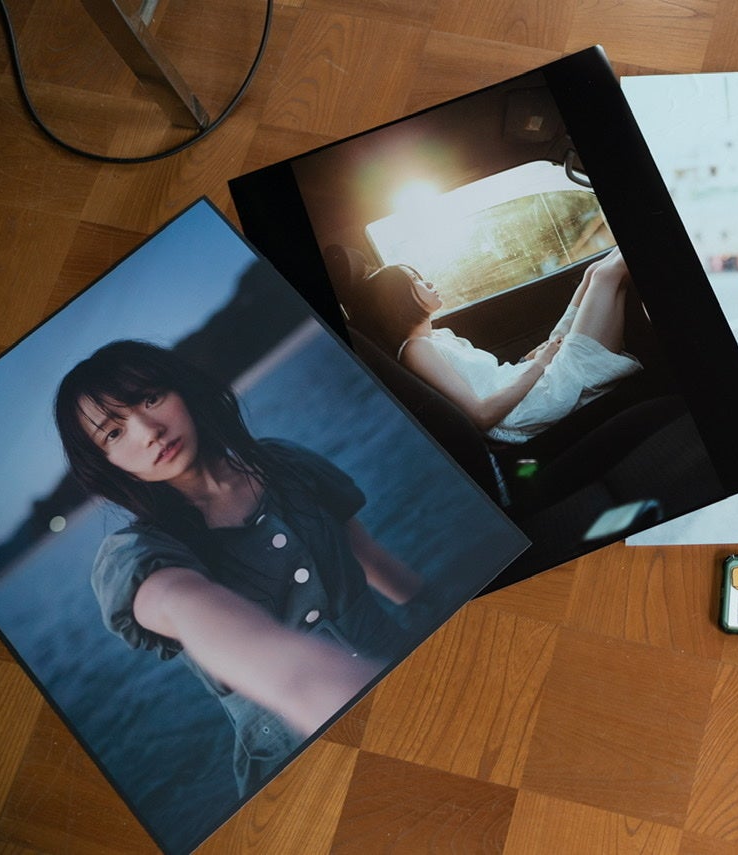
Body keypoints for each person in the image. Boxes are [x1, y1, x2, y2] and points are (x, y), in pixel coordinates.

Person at [54, 340, 425, 794]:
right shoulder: (137, 555)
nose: (149, 431)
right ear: (106, 464)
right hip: (302, 769)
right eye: (113, 433)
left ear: (181, 389)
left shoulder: (284, 464)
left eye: (150, 398)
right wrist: (313, 684)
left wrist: (439, 616)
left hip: (405, 674)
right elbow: (182, 605)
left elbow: (372, 559)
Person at [342, 249, 642, 444]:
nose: (428, 283)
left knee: (593, 273)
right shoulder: (416, 349)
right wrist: (541, 364)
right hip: (527, 408)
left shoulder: (438, 337)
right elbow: (483, 414)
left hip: (527, 384)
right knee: (607, 275)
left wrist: (532, 358)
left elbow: (491, 378)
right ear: (398, 299)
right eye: (414, 281)